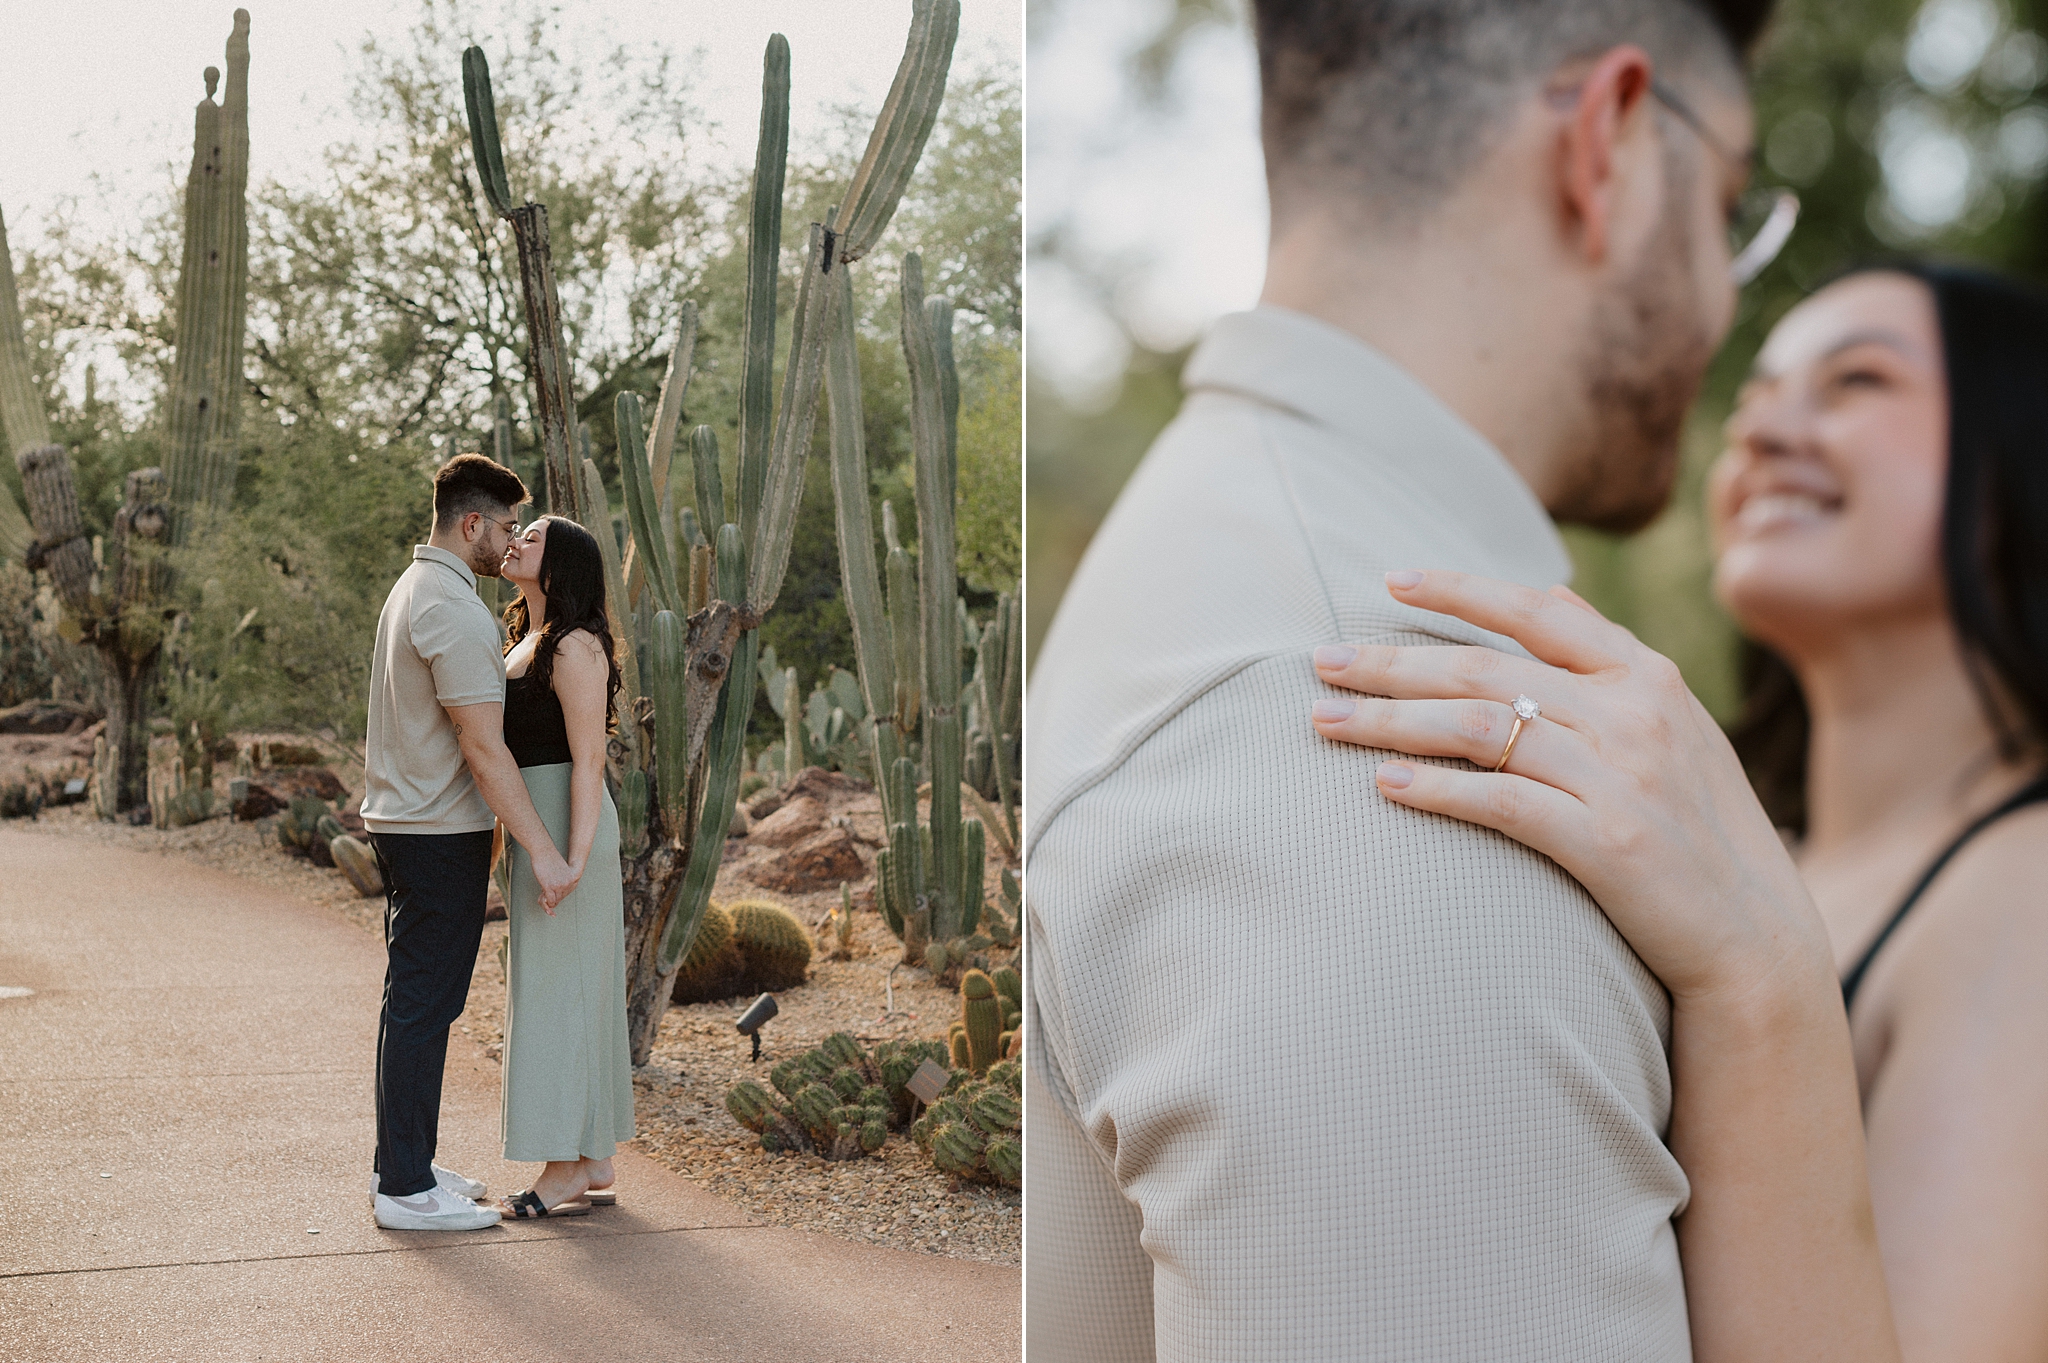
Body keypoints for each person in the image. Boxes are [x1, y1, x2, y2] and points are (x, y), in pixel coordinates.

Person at [1024, 0, 1778, 1356]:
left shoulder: (1235, 575)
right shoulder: (1418, 768)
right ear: (1608, 141)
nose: (1729, 295)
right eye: (1731, 204)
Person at [1313, 261, 2048, 1360]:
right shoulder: (1744, 851)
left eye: (1853, 383)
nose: (1759, 433)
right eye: (1751, 398)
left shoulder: (2023, 887)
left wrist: (1752, 976)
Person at [362, 454, 578, 1233]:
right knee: (424, 1001)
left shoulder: (415, 587)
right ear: (472, 524)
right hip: (434, 829)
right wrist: (544, 852)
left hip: (407, 822)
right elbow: (484, 748)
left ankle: (405, 1161)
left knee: (417, 1000)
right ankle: (406, 1190)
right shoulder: (453, 608)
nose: (511, 540)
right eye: (506, 526)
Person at [491, 514, 635, 1218]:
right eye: (519, 529)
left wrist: (573, 858)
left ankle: (565, 1167)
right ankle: (593, 1155)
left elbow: (589, 758)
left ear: (565, 563)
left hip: (569, 830)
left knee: (562, 999)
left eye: (535, 535)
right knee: (559, 991)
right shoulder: (525, 640)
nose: (516, 538)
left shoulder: (575, 645)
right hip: (539, 832)